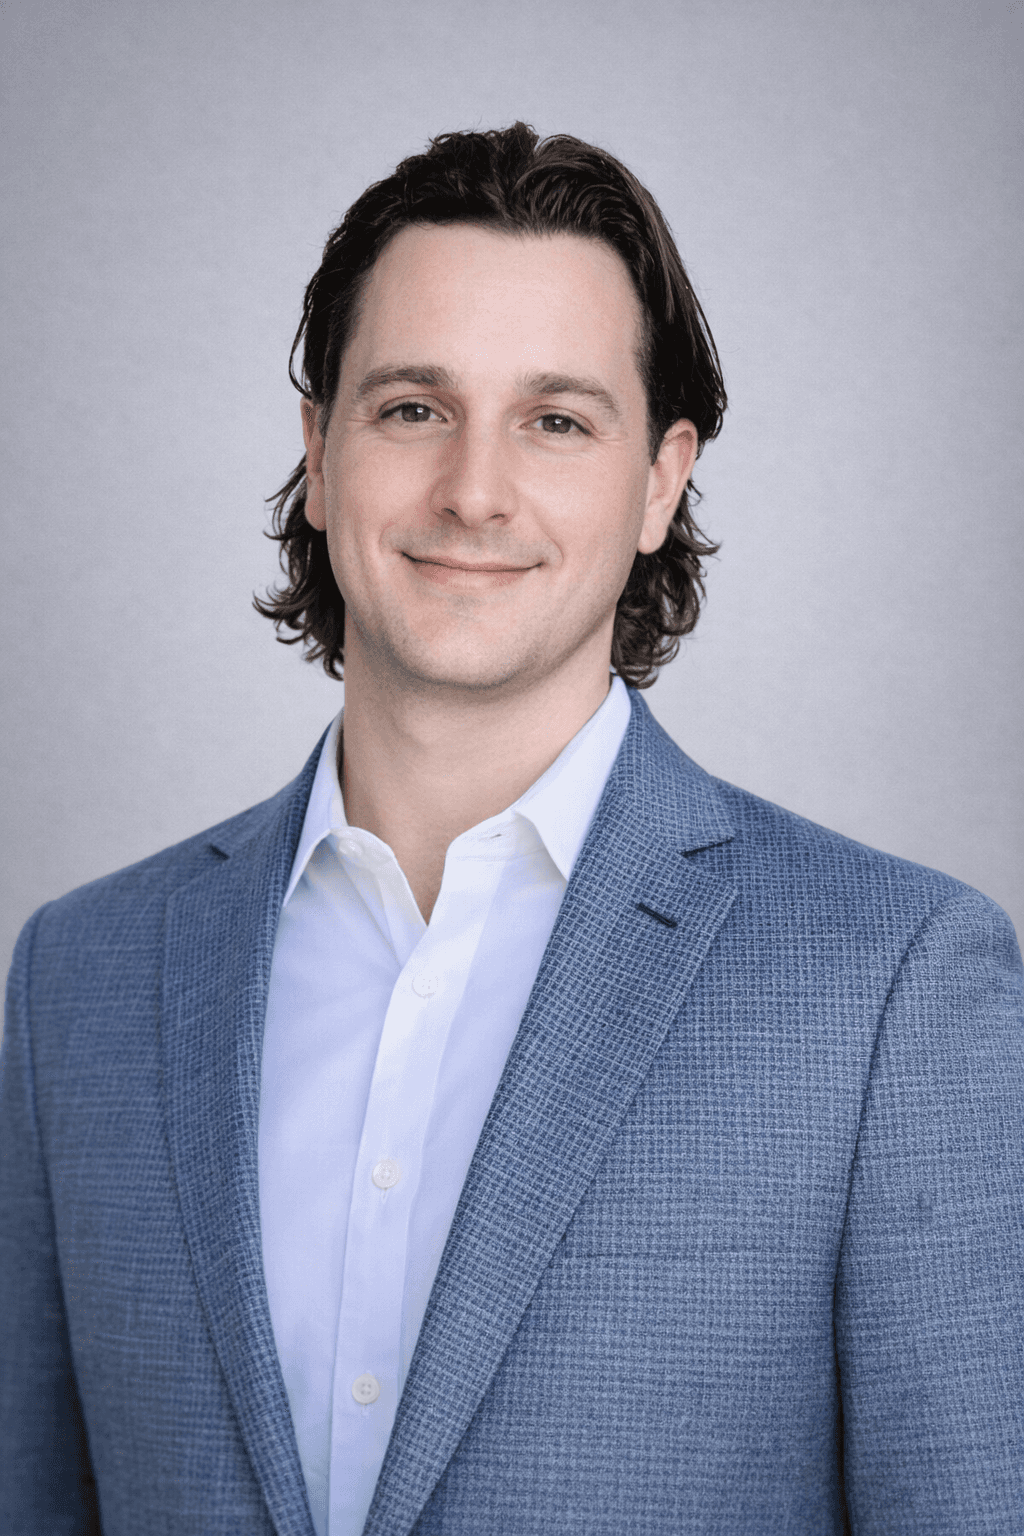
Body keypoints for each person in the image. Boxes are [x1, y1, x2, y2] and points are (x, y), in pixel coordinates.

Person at [1, 122, 1022, 1536]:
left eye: (556, 420)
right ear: (317, 449)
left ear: (661, 479)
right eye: (413, 407)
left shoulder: (895, 986)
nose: (472, 491)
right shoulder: (80, 981)